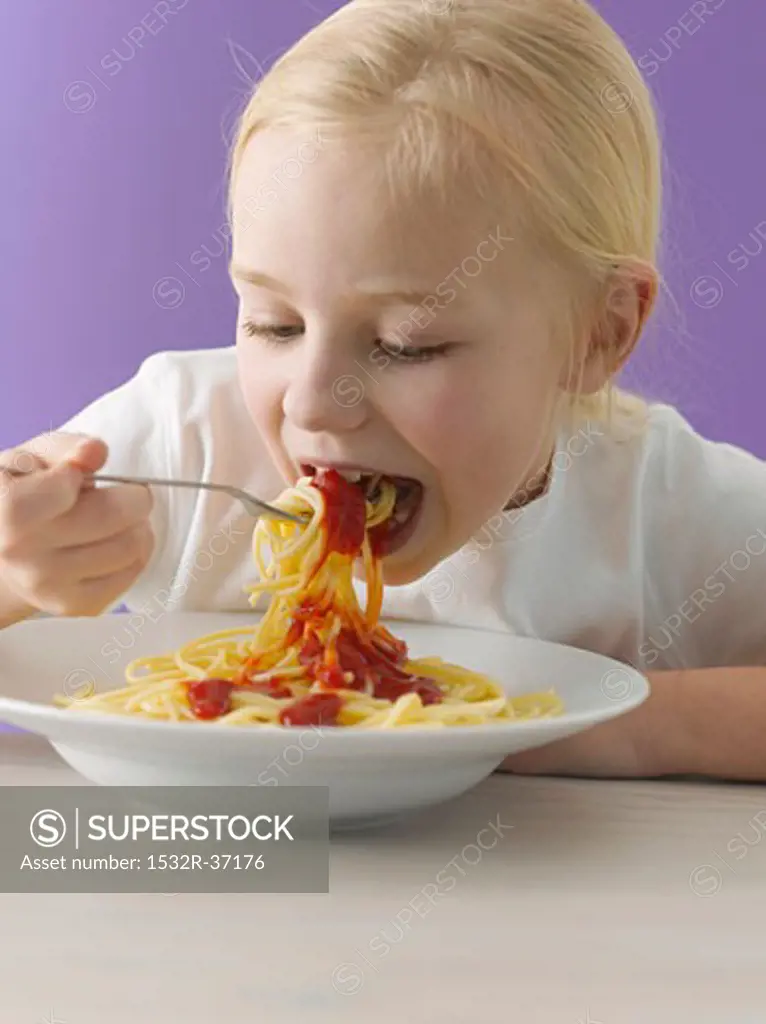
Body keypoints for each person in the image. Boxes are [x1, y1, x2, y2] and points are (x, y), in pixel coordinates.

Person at [1, 0, 765, 778]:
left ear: (598, 334)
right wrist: (14, 565)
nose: (311, 403)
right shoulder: (179, 438)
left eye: (407, 344)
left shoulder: (661, 504)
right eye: (274, 324)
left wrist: (619, 727)